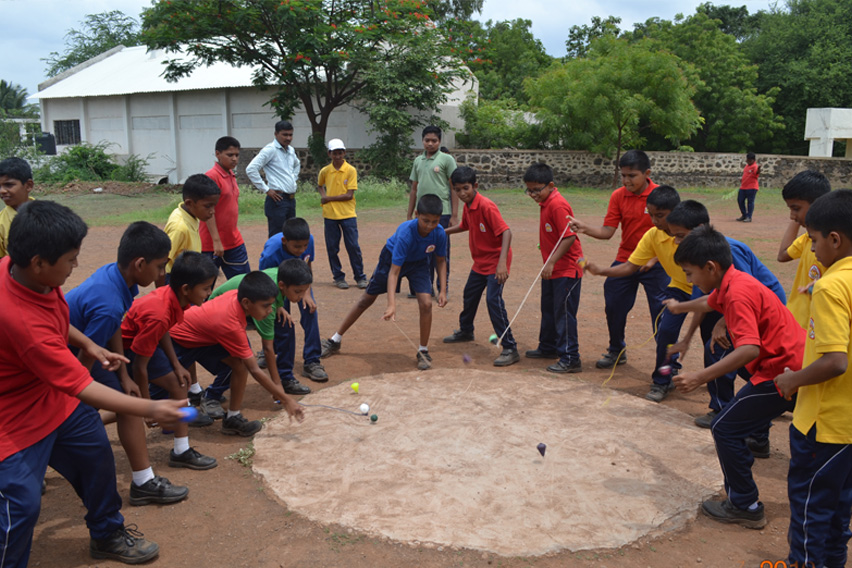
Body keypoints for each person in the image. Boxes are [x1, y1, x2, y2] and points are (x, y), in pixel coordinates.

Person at [0, 200, 187, 566]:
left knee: (97, 457)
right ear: (38, 263)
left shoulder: (20, 269)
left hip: (52, 395)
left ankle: (106, 532)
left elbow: (54, 314)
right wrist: (152, 406)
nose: (75, 266)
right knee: (20, 504)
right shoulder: (20, 320)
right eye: (70, 260)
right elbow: (80, 384)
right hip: (13, 412)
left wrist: (86, 342)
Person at [664, 225, 803, 530]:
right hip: (786, 360)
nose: (689, 280)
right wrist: (680, 306)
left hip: (781, 371)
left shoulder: (737, 293)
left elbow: (750, 349)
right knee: (735, 420)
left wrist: (700, 377)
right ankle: (756, 442)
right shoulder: (731, 281)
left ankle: (745, 504)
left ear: (710, 267)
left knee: (724, 428)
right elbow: (709, 303)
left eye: (690, 273)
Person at [66, 221, 192, 505]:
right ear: (139, 263)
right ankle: (143, 482)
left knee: (125, 400)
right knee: (127, 409)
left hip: (88, 348)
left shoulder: (116, 277)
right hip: (72, 356)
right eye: (160, 267)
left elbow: (112, 330)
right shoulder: (108, 301)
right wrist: (74, 393)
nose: (162, 274)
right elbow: (88, 353)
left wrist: (123, 376)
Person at [774, 190, 852, 567]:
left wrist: (793, 380)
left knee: (810, 511)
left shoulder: (833, 286)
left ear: (834, 239)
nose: (813, 249)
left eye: (815, 240)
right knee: (839, 511)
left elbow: (836, 361)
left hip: (824, 425)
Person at [665, 200, 787, 433]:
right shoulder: (710, 267)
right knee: (741, 364)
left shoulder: (728, 258)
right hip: (751, 316)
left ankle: (729, 410)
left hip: (766, 321)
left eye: (680, 236)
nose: (677, 242)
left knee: (721, 351)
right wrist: (682, 317)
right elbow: (709, 301)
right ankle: (768, 407)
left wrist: (700, 377)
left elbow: (742, 298)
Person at [169, 270, 306, 435]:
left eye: (271, 305)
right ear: (247, 303)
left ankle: (232, 418)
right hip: (177, 340)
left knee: (239, 365)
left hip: (205, 337)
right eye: (266, 306)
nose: (270, 310)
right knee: (171, 385)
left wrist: (278, 307)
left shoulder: (238, 298)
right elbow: (255, 370)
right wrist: (287, 400)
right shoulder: (231, 324)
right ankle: (181, 418)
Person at [321, 194, 448, 371]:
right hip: (391, 260)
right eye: (425, 220)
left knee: (427, 304)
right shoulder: (406, 234)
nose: (429, 226)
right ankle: (335, 339)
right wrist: (391, 305)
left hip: (419, 263)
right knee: (366, 299)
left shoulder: (439, 233)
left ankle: (423, 350)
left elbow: (441, 261)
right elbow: (394, 273)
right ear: (417, 214)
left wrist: (442, 290)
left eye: (434, 222)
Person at [584, 185, 688, 402]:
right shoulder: (653, 234)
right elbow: (630, 266)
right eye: (651, 215)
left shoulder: (693, 234)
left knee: (714, 342)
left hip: (705, 291)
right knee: (666, 330)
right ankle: (662, 380)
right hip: (678, 288)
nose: (654, 221)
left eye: (659, 216)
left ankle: (723, 399)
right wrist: (602, 270)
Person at [568, 150, 668, 371]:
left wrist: (653, 258)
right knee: (613, 305)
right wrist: (584, 228)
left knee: (662, 314)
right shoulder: (618, 196)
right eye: (623, 175)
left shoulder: (661, 196)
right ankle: (616, 349)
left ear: (647, 173)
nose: (626, 180)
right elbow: (607, 231)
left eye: (632, 175)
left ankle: (667, 366)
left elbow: (672, 232)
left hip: (659, 263)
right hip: (628, 259)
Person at [121, 251, 219, 472]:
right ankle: (179, 441)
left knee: (180, 382)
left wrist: (176, 364)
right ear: (186, 289)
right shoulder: (160, 312)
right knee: (125, 402)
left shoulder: (173, 297)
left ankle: (181, 449)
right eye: (205, 288)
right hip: (126, 350)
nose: (209, 293)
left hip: (145, 341)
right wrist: (148, 408)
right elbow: (139, 366)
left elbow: (163, 329)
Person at [442, 166, 518, 367]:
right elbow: (464, 226)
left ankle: (510, 347)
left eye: (465, 188)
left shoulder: (486, 206)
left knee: (493, 300)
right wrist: (443, 232)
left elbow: (506, 232)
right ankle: (466, 330)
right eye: (457, 190)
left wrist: (502, 264)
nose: (461, 193)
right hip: (480, 262)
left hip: (496, 262)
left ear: (475, 185)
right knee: (470, 294)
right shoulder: (468, 206)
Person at [208, 259, 316, 398]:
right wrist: (276, 387)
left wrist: (279, 306)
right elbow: (267, 348)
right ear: (282, 285)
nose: (301, 296)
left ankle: (286, 378)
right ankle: (211, 396)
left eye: (304, 291)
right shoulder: (266, 303)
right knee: (240, 359)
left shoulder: (281, 276)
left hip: (244, 304)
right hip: (221, 313)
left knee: (285, 324)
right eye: (297, 291)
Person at [523, 162, 584, 373]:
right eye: (529, 190)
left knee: (563, 313)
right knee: (548, 308)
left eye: (536, 190)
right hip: (553, 269)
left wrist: (551, 261)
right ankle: (548, 346)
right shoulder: (545, 202)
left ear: (550, 185)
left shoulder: (557, 204)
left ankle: (570, 357)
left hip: (567, 270)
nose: (532, 194)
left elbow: (569, 237)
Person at [258, 218, 327, 385]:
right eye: (297, 247)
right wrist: (280, 306)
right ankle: (270, 350)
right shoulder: (271, 253)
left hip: (298, 282)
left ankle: (312, 360)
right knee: (282, 321)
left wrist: (307, 293)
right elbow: (266, 283)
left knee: (310, 310)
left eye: (304, 246)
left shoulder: (307, 239)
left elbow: (307, 267)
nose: (301, 250)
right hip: (276, 287)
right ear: (284, 241)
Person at [776, 170, 831, 329]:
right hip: (795, 323)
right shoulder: (808, 238)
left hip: (816, 328)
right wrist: (800, 218)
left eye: (796, 208)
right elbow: (783, 255)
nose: (791, 216)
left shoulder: (834, 246)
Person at [407, 125, 457, 296]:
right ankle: (424, 288)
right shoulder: (418, 161)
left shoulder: (446, 160)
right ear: (422, 141)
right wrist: (409, 214)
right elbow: (414, 188)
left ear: (439, 141)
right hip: (422, 213)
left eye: (434, 140)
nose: (430, 144)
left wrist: (455, 215)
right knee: (422, 250)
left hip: (442, 213)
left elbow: (454, 188)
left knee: (441, 252)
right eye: (427, 140)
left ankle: (443, 288)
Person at [318, 138, 367, 290]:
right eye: (334, 153)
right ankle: (338, 276)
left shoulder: (350, 170)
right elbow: (320, 185)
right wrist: (323, 195)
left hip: (348, 214)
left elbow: (349, 195)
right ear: (329, 154)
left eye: (340, 152)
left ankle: (360, 277)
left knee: (353, 246)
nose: (337, 156)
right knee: (332, 247)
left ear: (344, 153)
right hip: (330, 215)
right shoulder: (325, 171)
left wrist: (327, 198)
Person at [201, 136, 251, 281]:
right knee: (203, 288)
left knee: (244, 285)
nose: (234, 159)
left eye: (237, 155)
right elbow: (207, 209)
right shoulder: (212, 176)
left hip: (233, 241)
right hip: (211, 244)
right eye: (230, 155)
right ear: (218, 154)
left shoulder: (231, 174)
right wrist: (216, 241)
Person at [246, 120, 301, 238]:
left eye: (290, 134)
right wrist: (266, 189)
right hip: (278, 200)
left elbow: (297, 164)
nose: (288, 138)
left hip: (291, 200)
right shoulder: (270, 150)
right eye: (285, 134)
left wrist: (292, 178)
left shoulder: (290, 150)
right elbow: (251, 169)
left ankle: (288, 258)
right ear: (276, 134)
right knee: (277, 237)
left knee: (291, 235)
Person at [164, 173, 220, 279]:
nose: (213, 211)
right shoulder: (180, 227)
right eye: (208, 206)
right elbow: (163, 262)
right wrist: (163, 294)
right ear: (189, 203)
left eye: (214, 206)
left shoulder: (191, 215)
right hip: (175, 280)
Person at [0, 156, 35, 258]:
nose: (2, 191)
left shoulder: (49, 214)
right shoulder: (1, 223)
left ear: (28, 185)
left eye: (9, 185)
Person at [736, 152, 760, 222]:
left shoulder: (755, 166)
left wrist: (759, 169)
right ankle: (744, 215)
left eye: (749, 160)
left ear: (753, 160)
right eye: (747, 160)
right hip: (743, 187)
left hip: (752, 187)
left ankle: (749, 217)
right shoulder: (747, 166)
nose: (747, 161)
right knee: (740, 200)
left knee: (750, 202)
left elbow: (757, 172)